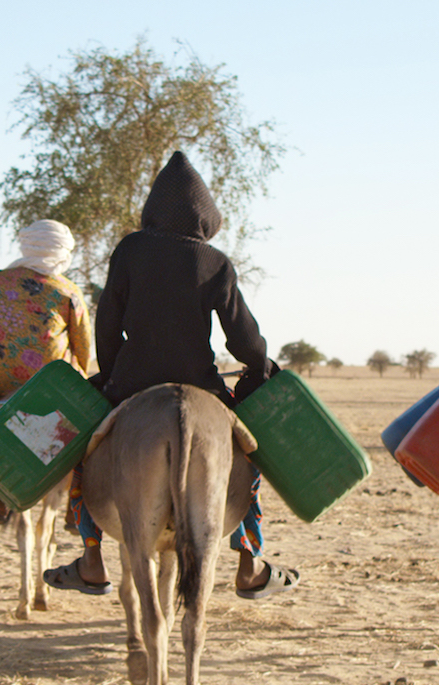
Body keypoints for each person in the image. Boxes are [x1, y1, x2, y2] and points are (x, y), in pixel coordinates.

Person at [43, 150, 296, 600]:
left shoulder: (129, 250)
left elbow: (108, 320)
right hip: (202, 387)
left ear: (153, 210)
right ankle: (249, 562)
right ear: (206, 217)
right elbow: (244, 338)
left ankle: (91, 557)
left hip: (132, 383)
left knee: (84, 454)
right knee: (248, 459)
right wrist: (259, 367)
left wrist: (114, 374)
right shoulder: (215, 262)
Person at [0, 219, 94, 523]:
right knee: (90, 422)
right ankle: (74, 505)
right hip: (45, 382)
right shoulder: (67, 290)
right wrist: (82, 371)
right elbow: (82, 344)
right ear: (62, 252)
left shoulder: (0, 281)